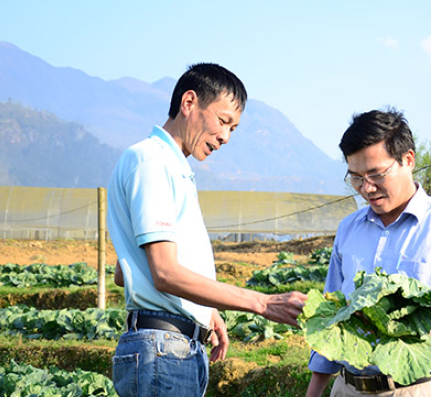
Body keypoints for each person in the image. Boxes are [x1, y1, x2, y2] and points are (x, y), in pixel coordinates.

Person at [106, 63, 307, 397]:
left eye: (234, 129)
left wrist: (204, 310)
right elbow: (164, 272)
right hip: (163, 352)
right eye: (223, 121)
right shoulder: (152, 163)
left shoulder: (171, 166)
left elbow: (124, 271)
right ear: (189, 103)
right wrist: (263, 303)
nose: (226, 137)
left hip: (173, 347)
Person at [306, 109, 431, 397]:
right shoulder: (349, 229)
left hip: (417, 388)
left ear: (408, 159)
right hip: (347, 388)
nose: (366, 188)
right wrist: (316, 389)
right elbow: (330, 313)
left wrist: (417, 332)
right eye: (355, 178)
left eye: (376, 174)